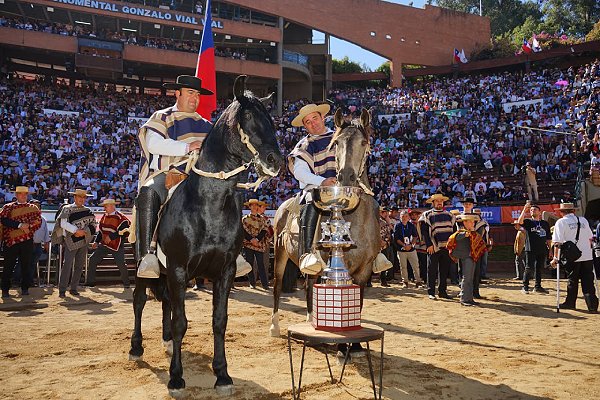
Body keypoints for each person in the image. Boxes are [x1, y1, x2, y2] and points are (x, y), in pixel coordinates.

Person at [135, 75, 214, 278]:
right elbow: (153, 144)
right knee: (149, 192)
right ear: (177, 93)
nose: (195, 98)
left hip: (201, 176)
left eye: (198, 94)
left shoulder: (207, 125)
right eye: (190, 93)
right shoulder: (161, 116)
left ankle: (234, 253)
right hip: (170, 173)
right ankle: (147, 255)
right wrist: (187, 147)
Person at [288, 103, 336, 274]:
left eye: (315, 118)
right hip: (316, 188)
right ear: (305, 126)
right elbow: (299, 173)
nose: (313, 123)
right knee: (310, 203)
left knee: (369, 202)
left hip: (343, 187)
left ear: (323, 117)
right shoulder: (303, 146)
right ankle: (308, 254)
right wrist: (323, 182)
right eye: (308, 122)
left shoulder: (340, 137)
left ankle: (376, 251)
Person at [551, 203, 598, 312]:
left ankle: (570, 303)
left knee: (572, 280)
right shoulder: (583, 220)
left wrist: (555, 258)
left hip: (573, 256)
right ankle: (592, 305)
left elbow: (557, 242)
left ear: (561, 212)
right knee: (588, 281)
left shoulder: (561, 222)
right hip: (587, 256)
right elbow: (591, 237)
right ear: (574, 211)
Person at [52, 189, 96, 298]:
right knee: (67, 265)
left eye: (83, 197)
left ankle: (74, 288)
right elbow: (63, 223)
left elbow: (93, 225)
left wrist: (84, 232)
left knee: (79, 266)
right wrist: (76, 231)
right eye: (79, 197)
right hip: (70, 241)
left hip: (83, 240)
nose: (82, 199)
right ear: (75, 197)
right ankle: (62, 289)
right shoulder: (67, 208)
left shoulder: (88, 210)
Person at [0, 186, 42, 298]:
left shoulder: (33, 208)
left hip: (27, 241)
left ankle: (25, 288)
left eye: (25, 194)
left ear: (27, 195)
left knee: (26, 265)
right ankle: (5, 289)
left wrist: (28, 226)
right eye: (20, 194)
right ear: (16, 195)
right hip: (10, 241)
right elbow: (4, 220)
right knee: (8, 265)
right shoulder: (8, 207)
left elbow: (38, 221)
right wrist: (20, 225)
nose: (23, 196)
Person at [85, 198, 131, 288]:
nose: (104, 208)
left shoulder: (122, 218)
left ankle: (126, 283)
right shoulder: (104, 216)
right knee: (92, 259)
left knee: (121, 264)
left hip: (117, 245)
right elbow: (101, 232)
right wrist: (96, 242)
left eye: (106, 206)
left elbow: (125, 232)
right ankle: (90, 282)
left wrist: (111, 237)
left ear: (112, 206)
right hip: (104, 245)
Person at [419, 193, 456, 300]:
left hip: (446, 247)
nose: (439, 203)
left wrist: (452, 245)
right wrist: (429, 245)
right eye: (437, 201)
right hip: (434, 247)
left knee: (444, 270)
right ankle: (431, 292)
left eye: (441, 201)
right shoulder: (427, 215)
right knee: (432, 270)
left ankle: (442, 292)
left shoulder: (450, 215)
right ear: (433, 202)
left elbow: (454, 231)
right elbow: (424, 232)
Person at [447, 213, 487, 306]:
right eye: (471, 222)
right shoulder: (462, 232)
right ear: (465, 222)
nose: (473, 223)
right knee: (467, 278)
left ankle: (469, 298)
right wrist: (466, 234)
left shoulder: (470, 233)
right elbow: (455, 238)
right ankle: (465, 298)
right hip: (467, 256)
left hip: (470, 256)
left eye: (473, 222)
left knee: (469, 278)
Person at [517, 203, 551, 294]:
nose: (532, 211)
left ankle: (537, 287)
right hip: (530, 248)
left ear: (540, 212)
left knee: (539, 268)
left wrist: (550, 250)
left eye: (535, 210)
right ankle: (525, 286)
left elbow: (548, 238)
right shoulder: (528, 222)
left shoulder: (545, 223)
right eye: (531, 210)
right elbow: (519, 222)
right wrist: (524, 210)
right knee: (529, 267)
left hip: (542, 249)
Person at [242, 199, 271, 290]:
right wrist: (251, 239)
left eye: (256, 205)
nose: (254, 207)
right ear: (249, 206)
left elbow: (264, 230)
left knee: (261, 264)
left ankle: (264, 284)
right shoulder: (245, 219)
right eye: (252, 205)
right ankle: (252, 283)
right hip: (249, 244)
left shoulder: (262, 219)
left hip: (258, 244)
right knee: (249, 263)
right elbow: (243, 231)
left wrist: (257, 239)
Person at [394, 210, 422, 288]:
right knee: (403, 266)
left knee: (416, 266)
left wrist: (411, 245)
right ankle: (405, 281)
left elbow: (415, 236)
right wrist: (404, 245)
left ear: (408, 217)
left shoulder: (411, 225)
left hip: (411, 249)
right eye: (402, 216)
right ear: (400, 217)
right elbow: (396, 238)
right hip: (401, 249)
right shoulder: (397, 226)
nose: (404, 218)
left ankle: (418, 281)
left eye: (406, 216)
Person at [378, 207, 394, 287]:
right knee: (370, 262)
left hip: (385, 245)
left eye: (387, 212)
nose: (386, 214)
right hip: (375, 245)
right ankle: (368, 281)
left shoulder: (387, 222)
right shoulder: (374, 221)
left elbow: (389, 232)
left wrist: (385, 241)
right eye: (384, 212)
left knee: (385, 262)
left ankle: (383, 280)